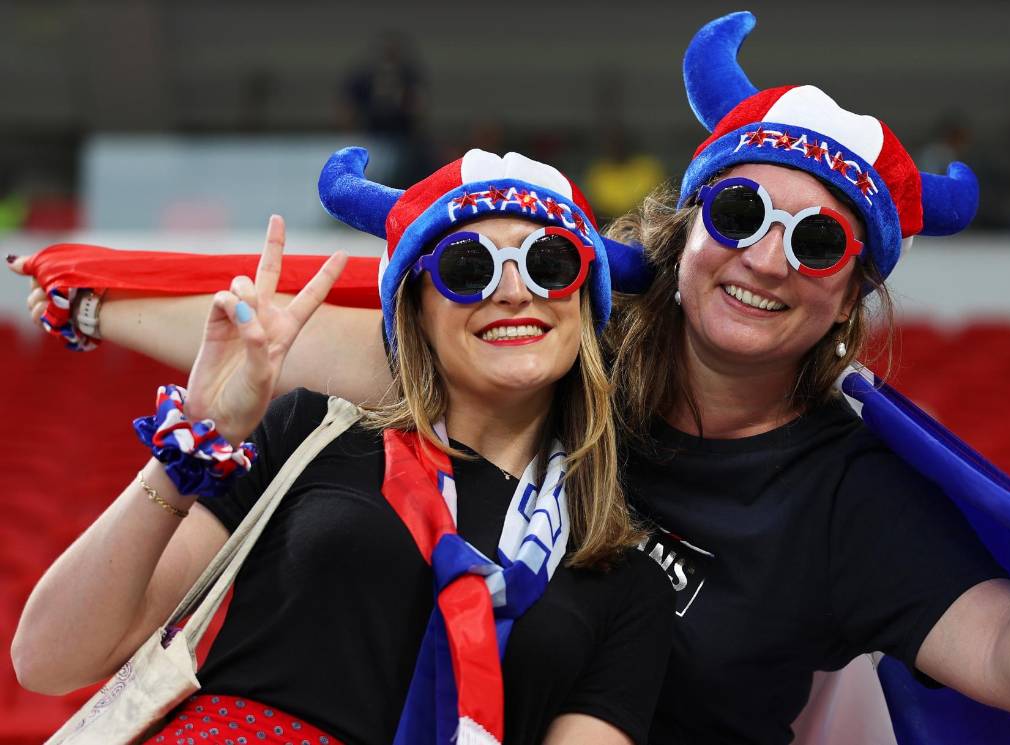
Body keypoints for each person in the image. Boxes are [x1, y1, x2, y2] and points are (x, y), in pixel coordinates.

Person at [9, 13, 1010, 744]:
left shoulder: (825, 505)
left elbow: (997, 634)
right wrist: (114, 312)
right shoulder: (474, 385)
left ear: (851, 294)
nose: (765, 256)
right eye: (740, 211)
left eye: (819, 239)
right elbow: (335, 341)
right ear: (684, 229)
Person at [11, 148, 674, 745]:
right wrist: (194, 441)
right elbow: (49, 658)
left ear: (587, 303)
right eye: (467, 267)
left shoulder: (624, 577)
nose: (511, 290)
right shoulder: (311, 433)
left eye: (548, 263)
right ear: (411, 307)